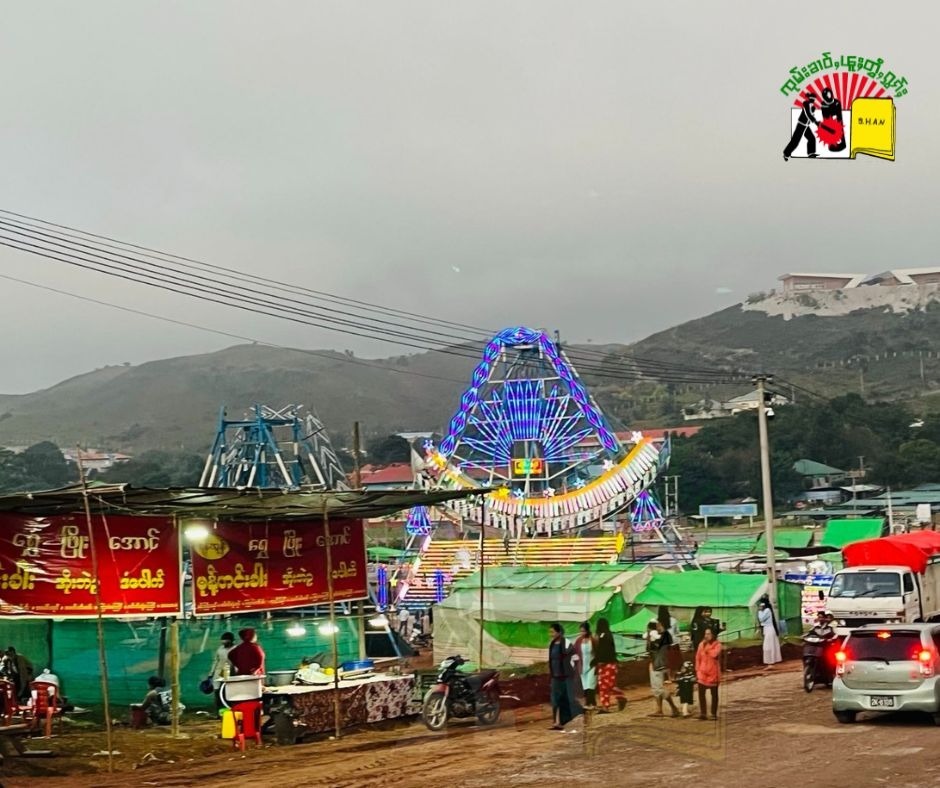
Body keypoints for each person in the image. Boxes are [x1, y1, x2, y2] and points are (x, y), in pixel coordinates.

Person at [594, 618, 626, 713]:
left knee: (609, 685)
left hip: (608, 664)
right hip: (605, 664)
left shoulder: (605, 636)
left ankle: (621, 697)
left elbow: (606, 650)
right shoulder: (604, 635)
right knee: (603, 686)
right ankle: (605, 706)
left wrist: (602, 660)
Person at [648, 621, 679, 718]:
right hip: (659, 663)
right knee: (657, 688)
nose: (657, 627)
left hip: (659, 664)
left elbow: (653, 649)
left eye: (659, 625)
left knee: (659, 689)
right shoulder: (663, 636)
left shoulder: (663, 636)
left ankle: (673, 708)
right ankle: (660, 709)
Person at [548, 622, 575, 729]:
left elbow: (573, 657)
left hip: (565, 676)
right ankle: (555, 722)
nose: (551, 634)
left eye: (552, 632)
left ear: (559, 632)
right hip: (555, 676)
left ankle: (563, 721)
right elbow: (551, 660)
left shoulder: (567, 643)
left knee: (565, 699)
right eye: (550, 632)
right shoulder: (552, 644)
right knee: (554, 700)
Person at [783, 91, 819, 160]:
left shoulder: (813, 107)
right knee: (795, 141)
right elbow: (808, 114)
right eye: (812, 98)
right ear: (809, 98)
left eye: (814, 99)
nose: (813, 100)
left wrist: (815, 121)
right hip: (801, 125)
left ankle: (811, 153)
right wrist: (816, 122)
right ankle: (786, 154)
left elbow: (810, 115)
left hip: (806, 126)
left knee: (811, 138)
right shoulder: (805, 103)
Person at [695, 628, 722, 720]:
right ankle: (703, 713)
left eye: (709, 634)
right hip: (702, 673)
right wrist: (697, 670)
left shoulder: (717, 645)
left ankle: (713, 713)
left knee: (714, 694)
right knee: (701, 694)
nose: (707, 636)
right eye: (705, 634)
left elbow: (714, 654)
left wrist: (707, 648)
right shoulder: (701, 645)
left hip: (713, 673)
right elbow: (698, 658)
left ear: (713, 635)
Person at [572, 621, 598, 709]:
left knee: (591, 684)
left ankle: (588, 703)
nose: (582, 633)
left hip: (592, 666)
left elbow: (597, 651)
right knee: (585, 685)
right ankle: (593, 703)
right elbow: (574, 651)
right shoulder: (579, 640)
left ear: (587, 631)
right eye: (581, 631)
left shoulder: (593, 640)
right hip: (582, 666)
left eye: (584, 631)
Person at [657, 605, 682, 679]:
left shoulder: (657, 621)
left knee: (666, 661)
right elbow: (677, 631)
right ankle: (673, 676)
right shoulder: (673, 620)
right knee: (674, 660)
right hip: (673, 643)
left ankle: (668, 677)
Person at [819, 86, 846, 152]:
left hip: (838, 121)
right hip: (830, 123)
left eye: (829, 94)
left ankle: (842, 143)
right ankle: (832, 145)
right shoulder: (824, 106)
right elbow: (826, 119)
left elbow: (839, 116)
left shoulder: (837, 102)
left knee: (840, 128)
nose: (829, 96)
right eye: (827, 95)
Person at [758, 600, 782, 667]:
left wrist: (759, 611)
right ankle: (771, 661)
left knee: (768, 646)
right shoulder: (766, 610)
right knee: (770, 645)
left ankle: (770, 662)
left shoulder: (767, 610)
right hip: (767, 629)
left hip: (769, 629)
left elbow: (761, 619)